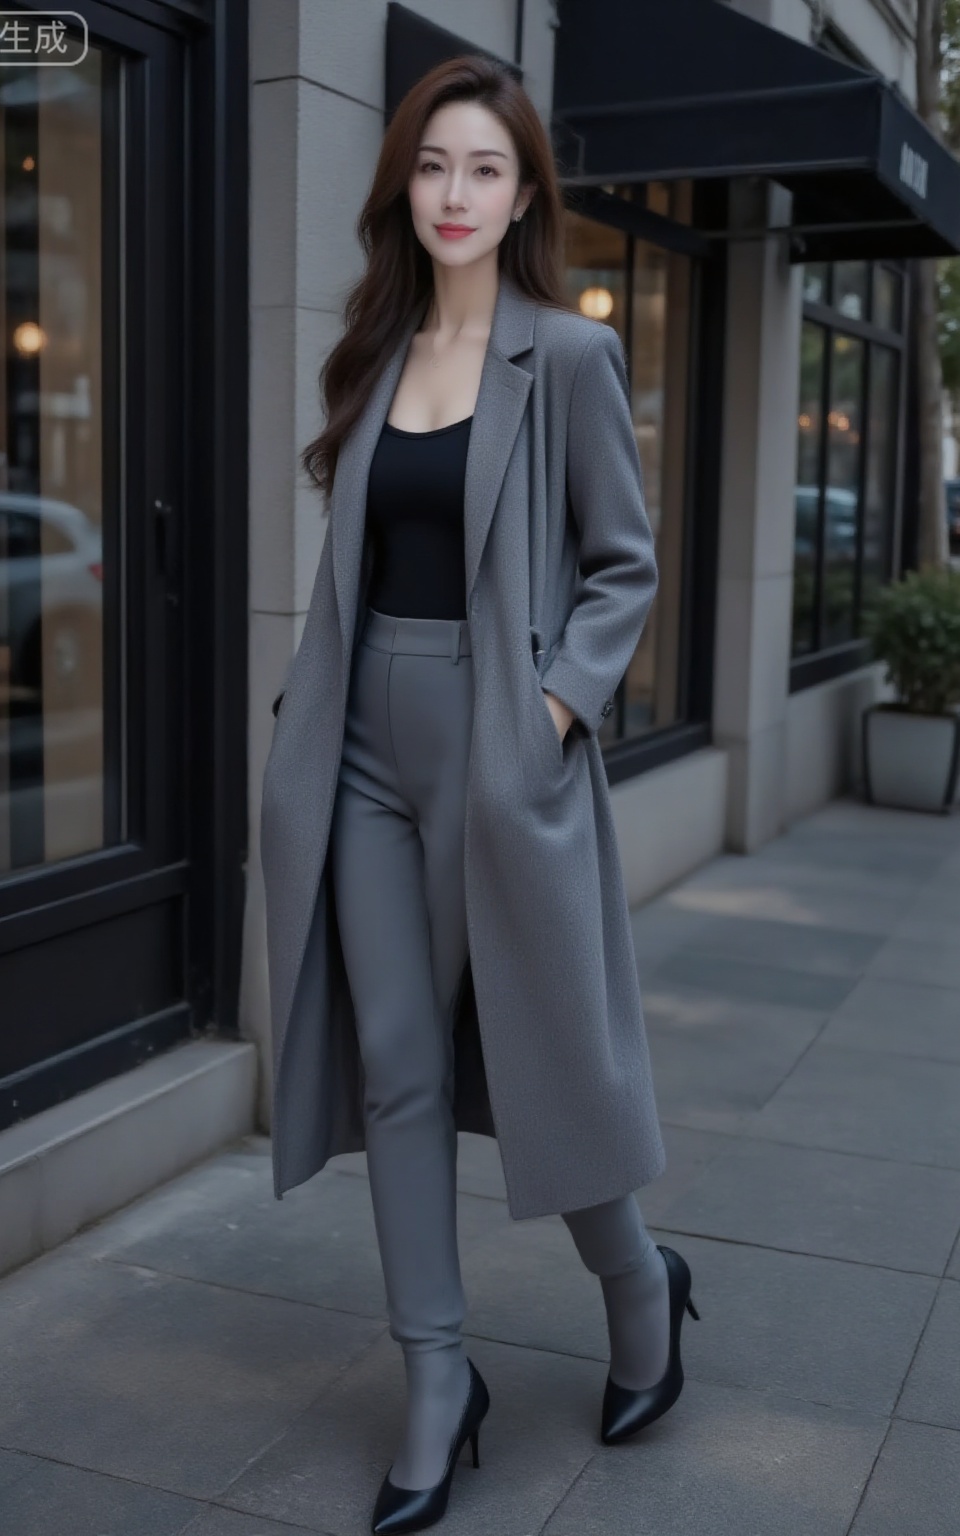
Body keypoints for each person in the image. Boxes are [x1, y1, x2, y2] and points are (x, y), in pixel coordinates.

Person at [261, 53, 700, 1536]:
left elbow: (625, 561)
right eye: (435, 166)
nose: (456, 194)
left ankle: (641, 1286)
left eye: (485, 170)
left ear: (524, 198)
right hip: (368, 746)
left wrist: (558, 706)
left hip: (501, 739)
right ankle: (438, 1381)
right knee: (399, 1064)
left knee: (542, 1053)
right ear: (407, 186)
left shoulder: (563, 359)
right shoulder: (374, 349)